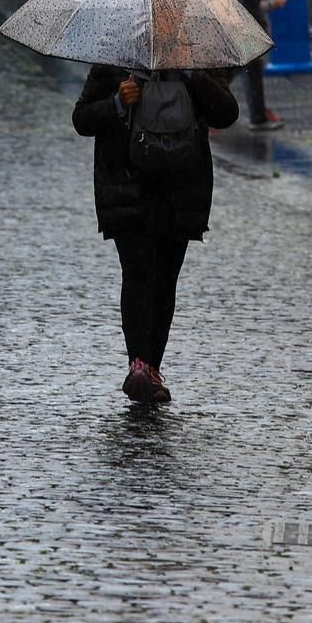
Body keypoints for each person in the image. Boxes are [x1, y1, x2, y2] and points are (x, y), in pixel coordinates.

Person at [73, 66, 240, 404]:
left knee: (165, 280)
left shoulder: (198, 58)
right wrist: (119, 102)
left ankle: (150, 367)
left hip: (180, 189)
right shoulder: (114, 58)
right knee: (137, 273)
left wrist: (195, 79)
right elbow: (82, 118)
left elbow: (226, 112)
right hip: (127, 185)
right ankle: (139, 364)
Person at [215, 0, 288, 132]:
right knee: (248, 72)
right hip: (243, 28)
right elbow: (242, 2)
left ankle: (210, 108)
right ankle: (256, 116)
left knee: (233, 71)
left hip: (235, 26)